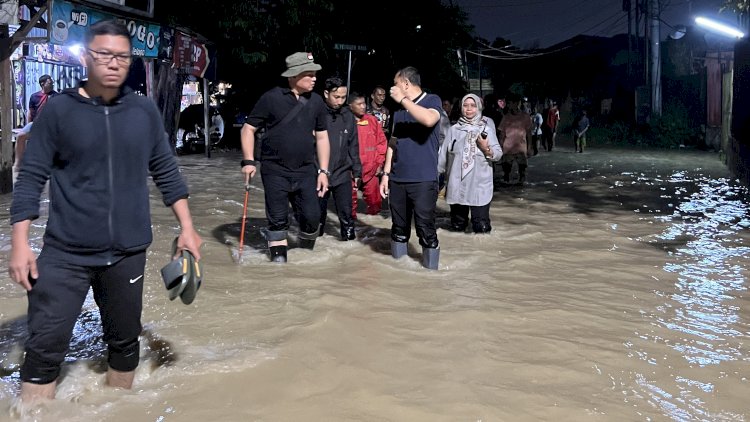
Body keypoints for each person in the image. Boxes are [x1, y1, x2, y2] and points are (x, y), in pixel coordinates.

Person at [8, 20, 203, 403]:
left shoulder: (144, 111)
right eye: (105, 54)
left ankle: (118, 410)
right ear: (87, 56)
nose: (114, 63)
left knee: (125, 342)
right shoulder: (59, 110)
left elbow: (166, 171)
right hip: (65, 253)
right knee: (44, 347)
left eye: (122, 56)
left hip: (127, 253)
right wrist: (19, 242)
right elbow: (30, 176)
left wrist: (188, 228)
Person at [240, 52, 330, 263]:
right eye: (308, 74)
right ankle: (279, 266)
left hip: (306, 170)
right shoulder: (271, 98)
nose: (314, 78)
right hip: (275, 171)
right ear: (293, 76)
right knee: (278, 220)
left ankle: (305, 259)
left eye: (315, 73)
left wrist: (324, 171)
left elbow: (323, 137)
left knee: (312, 218)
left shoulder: (316, 102)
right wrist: (248, 161)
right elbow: (248, 129)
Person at [378, 66, 442, 270]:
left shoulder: (432, 100)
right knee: (398, 228)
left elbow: (429, 119)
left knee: (425, 228)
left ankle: (431, 275)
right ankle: (399, 275)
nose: (392, 88)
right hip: (398, 178)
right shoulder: (398, 111)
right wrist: (386, 174)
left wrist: (403, 100)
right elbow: (393, 142)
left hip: (423, 179)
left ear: (406, 83)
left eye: (395, 84)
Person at [438, 94, 502, 233]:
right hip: (457, 184)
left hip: (479, 185)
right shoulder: (453, 130)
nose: (469, 109)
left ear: (478, 108)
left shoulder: (486, 130)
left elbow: (498, 155)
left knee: (481, 227)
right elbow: (442, 157)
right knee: (457, 225)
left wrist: (485, 147)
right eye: (465, 105)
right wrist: (436, 179)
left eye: (473, 106)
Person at [319, 77, 361, 240]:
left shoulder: (348, 116)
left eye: (344, 97)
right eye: (337, 97)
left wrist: (357, 171)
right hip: (319, 173)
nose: (340, 101)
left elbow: (353, 145)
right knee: (316, 218)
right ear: (326, 94)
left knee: (347, 215)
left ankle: (349, 245)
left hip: (343, 172)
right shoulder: (316, 112)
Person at [349, 91, 387, 217]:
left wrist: (379, 163)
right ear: (350, 106)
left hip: (371, 169)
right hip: (350, 170)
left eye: (364, 103)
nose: (363, 106)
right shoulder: (345, 122)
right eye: (359, 104)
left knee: (375, 204)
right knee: (349, 206)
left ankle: (374, 234)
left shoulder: (372, 121)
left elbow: (381, 143)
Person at [498, 93, 532, 185]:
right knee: (506, 174)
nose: (509, 105)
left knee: (522, 173)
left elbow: (529, 134)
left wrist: (529, 148)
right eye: (508, 103)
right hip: (507, 149)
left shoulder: (525, 117)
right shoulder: (506, 118)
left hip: (521, 149)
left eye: (511, 103)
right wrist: (500, 148)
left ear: (517, 103)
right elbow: (502, 135)